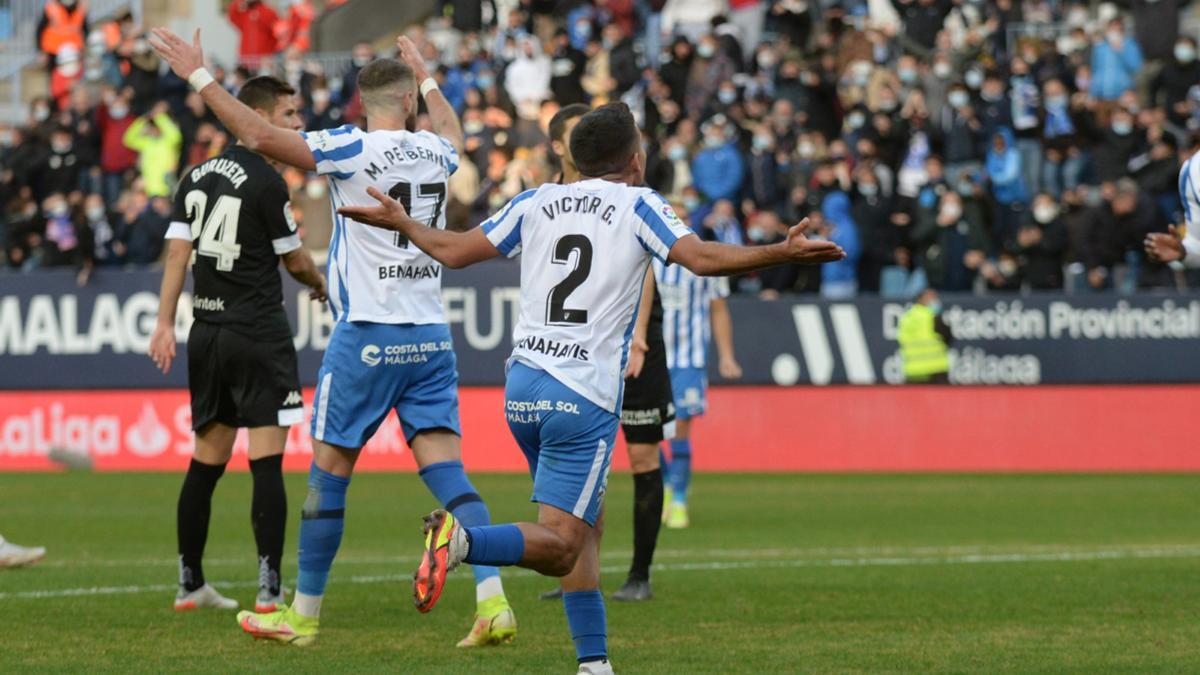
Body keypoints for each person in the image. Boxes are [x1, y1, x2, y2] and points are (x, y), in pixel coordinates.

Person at [335, 102, 843, 674]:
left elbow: (454, 252)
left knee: (587, 524)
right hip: (582, 396)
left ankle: (594, 663)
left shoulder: (536, 201)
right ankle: (462, 543)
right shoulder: (639, 204)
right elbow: (699, 258)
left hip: (523, 388)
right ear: (635, 159)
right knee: (562, 545)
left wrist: (405, 224)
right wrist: (780, 251)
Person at [149, 28, 516, 647]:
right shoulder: (433, 150)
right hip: (429, 336)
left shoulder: (349, 147)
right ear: (407, 102)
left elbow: (261, 136)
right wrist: (427, 73)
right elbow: (453, 130)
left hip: (369, 335)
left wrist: (197, 74)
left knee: (328, 473)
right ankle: (492, 601)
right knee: (450, 474)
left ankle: (304, 615)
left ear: (362, 102)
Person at [147, 76, 327, 613]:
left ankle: (189, 583)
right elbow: (293, 261)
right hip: (257, 331)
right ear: (259, 116)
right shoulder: (269, 183)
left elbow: (177, 257)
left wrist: (163, 324)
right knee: (267, 461)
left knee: (207, 459)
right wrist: (318, 284)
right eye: (290, 114)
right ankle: (270, 590)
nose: (298, 123)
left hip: (206, 333)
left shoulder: (195, 175)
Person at [540, 103, 677, 603]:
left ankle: (639, 574)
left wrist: (638, 336)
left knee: (642, 456)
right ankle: (577, 571)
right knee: (582, 472)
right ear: (560, 146)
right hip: (577, 352)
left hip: (630, 342)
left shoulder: (629, 198)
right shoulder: (549, 198)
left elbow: (642, 269)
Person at [654, 202, 742, 530]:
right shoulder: (648, 257)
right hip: (652, 356)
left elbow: (718, 310)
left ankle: (678, 499)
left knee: (680, 427)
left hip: (688, 357)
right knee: (648, 432)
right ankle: (666, 482)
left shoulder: (704, 260)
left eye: (684, 216)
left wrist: (727, 355)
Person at [897, 288, 951, 384]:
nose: (935, 302)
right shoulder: (932, 316)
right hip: (935, 369)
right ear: (920, 300)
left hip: (912, 371)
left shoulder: (906, 317)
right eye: (931, 298)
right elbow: (948, 337)